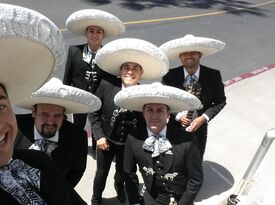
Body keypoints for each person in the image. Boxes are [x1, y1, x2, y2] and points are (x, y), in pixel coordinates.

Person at [0, 3, 86, 204]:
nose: (50, 120)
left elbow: (71, 183)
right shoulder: (20, 132)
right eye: (44, 114)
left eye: (0, 106)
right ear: (32, 112)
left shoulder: (37, 161)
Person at [88, 38, 169, 205]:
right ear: (120, 70)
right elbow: (94, 112)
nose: (130, 72)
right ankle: (96, 199)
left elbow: (148, 122)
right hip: (106, 141)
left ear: (141, 73)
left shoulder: (144, 95)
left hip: (127, 145)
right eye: (126, 67)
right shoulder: (107, 85)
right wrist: (99, 136)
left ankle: (119, 188)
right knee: (101, 173)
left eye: (135, 69)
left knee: (122, 172)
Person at [114, 82, 204, 205]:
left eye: (160, 110)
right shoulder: (133, 138)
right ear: (143, 112)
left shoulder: (187, 140)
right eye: (149, 110)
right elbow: (129, 172)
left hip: (181, 196)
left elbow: (196, 179)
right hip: (153, 195)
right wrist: (134, 201)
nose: (154, 116)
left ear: (168, 113)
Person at [15, 77, 101, 187]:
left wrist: (57, 195)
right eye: (44, 114)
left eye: (57, 115)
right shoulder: (15, 127)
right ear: (34, 112)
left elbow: (76, 172)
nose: (51, 122)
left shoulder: (77, 138)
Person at [63, 9, 125, 149]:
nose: (95, 35)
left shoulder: (107, 55)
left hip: (99, 98)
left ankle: (98, 147)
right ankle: (77, 148)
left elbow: (111, 80)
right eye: (91, 31)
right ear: (86, 33)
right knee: (78, 125)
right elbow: (67, 77)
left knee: (98, 125)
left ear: (104, 35)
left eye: (99, 32)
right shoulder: (74, 50)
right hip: (79, 97)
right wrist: (64, 101)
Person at [160, 34, 226, 158]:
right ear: (180, 56)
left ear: (200, 54)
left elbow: (220, 101)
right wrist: (178, 115)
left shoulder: (213, 75)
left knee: (196, 160)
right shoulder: (169, 76)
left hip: (199, 129)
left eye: (193, 52)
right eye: (185, 53)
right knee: (173, 158)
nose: (189, 56)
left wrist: (203, 118)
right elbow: (164, 100)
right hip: (174, 127)